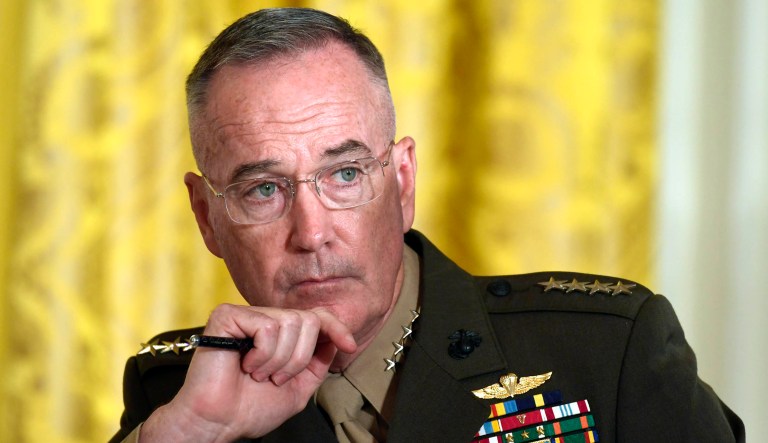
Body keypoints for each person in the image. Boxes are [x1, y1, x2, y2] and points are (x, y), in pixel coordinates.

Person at [110, 7, 744, 443]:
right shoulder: (177, 393)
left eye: (346, 175)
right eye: (264, 189)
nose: (312, 232)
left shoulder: (606, 351)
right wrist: (189, 434)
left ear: (403, 180)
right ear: (207, 218)